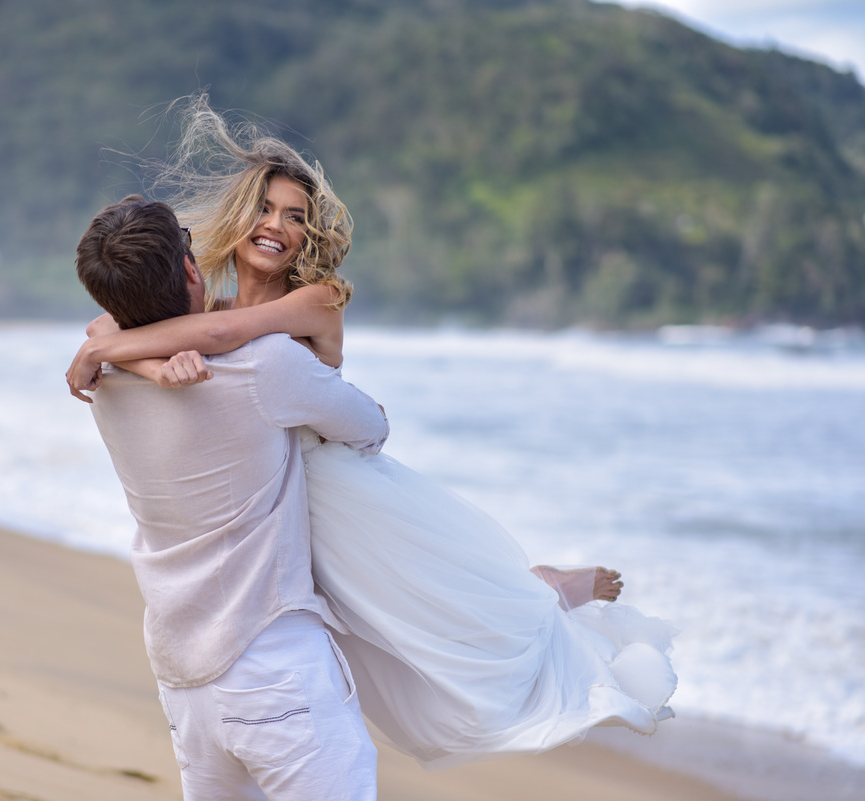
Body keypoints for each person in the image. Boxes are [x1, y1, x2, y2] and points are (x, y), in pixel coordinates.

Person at [68, 96, 676, 769]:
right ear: (235, 220)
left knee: (421, 612)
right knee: (368, 632)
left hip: (327, 474)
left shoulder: (315, 300)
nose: (276, 225)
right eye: (264, 209)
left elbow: (215, 336)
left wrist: (112, 353)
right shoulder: (207, 311)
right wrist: (145, 360)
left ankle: (542, 589)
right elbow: (116, 323)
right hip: (271, 485)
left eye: (295, 216)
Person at [74, 193, 391, 800]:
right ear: (190, 270)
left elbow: (104, 332)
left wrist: (131, 356)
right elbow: (371, 429)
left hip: (182, 679)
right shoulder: (265, 366)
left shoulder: (104, 379)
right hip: (272, 664)